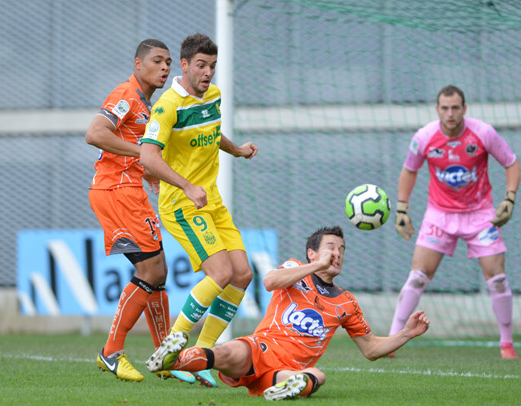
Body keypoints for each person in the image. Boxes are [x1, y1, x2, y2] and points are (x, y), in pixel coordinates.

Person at [145, 226, 430, 400]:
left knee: (317, 376)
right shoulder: (295, 269)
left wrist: (406, 333)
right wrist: (317, 267)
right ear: (311, 253)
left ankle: (282, 391)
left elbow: (370, 349)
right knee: (224, 354)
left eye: (342, 249)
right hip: (260, 349)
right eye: (331, 247)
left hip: (287, 369)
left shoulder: (346, 303)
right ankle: (170, 361)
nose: (338, 253)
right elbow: (269, 281)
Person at [139, 33, 258, 387]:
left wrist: (235, 150)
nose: (208, 73)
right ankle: (171, 350)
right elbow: (147, 156)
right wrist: (187, 186)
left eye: (213, 66)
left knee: (242, 275)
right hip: (182, 204)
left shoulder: (214, 96)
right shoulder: (167, 105)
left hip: (212, 201)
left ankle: (200, 357)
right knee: (219, 273)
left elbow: (211, 132)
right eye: (202, 66)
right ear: (185, 65)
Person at [87, 39, 193, 383]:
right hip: (116, 192)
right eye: (157, 61)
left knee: (157, 274)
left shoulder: (147, 105)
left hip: (129, 190)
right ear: (138, 65)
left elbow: (131, 149)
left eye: (167, 63)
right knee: (152, 271)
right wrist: (143, 154)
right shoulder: (126, 94)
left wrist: (146, 171)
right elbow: (95, 134)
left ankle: (165, 357)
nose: (164, 68)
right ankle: (111, 352)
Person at [390, 85, 521, 359]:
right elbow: (409, 170)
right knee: (417, 277)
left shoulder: (483, 132)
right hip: (439, 214)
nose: (450, 113)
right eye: (445, 108)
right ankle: (392, 339)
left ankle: (506, 343)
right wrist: (402, 208)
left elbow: (511, 163)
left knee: (497, 280)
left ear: (464, 109)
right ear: (437, 109)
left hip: (481, 214)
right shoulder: (424, 137)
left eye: (455, 108)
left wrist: (509, 200)